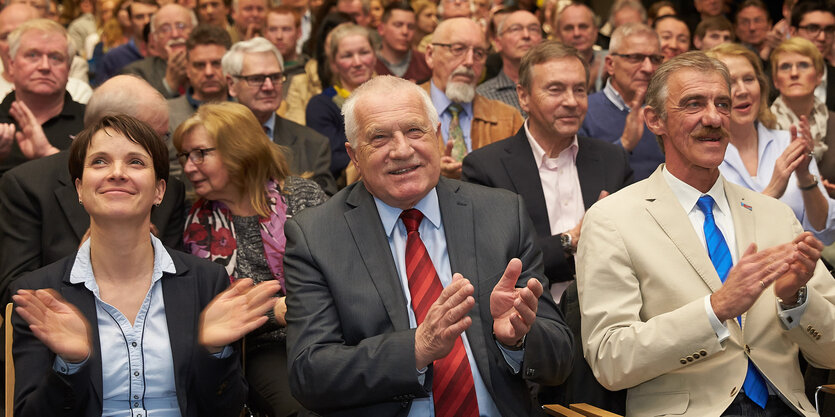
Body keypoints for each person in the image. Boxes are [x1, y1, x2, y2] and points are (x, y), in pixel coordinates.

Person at [284, 74, 573, 416]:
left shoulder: (501, 213)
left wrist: (518, 340)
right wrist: (416, 349)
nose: (402, 150)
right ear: (354, 156)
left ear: (437, 136)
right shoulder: (316, 235)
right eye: (379, 138)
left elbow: (560, 358)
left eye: (414, 131)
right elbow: (309, 373)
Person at [577, 51, 835, 416]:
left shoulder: (774, 215)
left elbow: (831, 352)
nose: (713, 118)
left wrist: (796, 300)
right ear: (655, 120)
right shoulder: (613, 219)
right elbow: (609, 360)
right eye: (693, 104)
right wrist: (714, 311)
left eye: (723, 104)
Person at [10, 113, 279, 417]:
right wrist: (69, 365)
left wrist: (213, 353)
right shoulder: (40, 293)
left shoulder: (206, 281)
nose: (117, 173)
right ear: (80, 190)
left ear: (159, 191)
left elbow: (225, 409)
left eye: (135, 162)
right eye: (100, 162)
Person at [462, 41, 633, 413]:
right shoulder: (486, 167)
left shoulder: (612, 159)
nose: (572, 101)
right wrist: (574, 240)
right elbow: (501, 265)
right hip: (529, 336)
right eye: (555, 89)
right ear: (523, 96)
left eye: (579, 89)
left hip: (607, 333)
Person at [174, 101, 325, 417]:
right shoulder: (191, 223)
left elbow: (339, 269)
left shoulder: (302, 196)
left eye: (201, 153)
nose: (188, 166)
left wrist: (302, 307)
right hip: (258, 347)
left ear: (239, 150)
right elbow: (205, 309)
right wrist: (277, 311)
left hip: (327, 331)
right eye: (185, 156)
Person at [0, 74, 186, 307]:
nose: (162, 148)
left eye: (164, 137)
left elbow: (180, 285)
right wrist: (82, 265)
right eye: (154, 136)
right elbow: (14, 293)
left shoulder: (168, 188)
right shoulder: (28, 185)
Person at [706, 43, 835, 246]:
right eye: (730, 82)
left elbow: (824, 231)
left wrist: (805, 179)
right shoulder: (703, 156)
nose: (742, 90)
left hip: (801, 272)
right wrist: (773, 190)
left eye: (749, 79)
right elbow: (714, 241)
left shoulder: (789, 142)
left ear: (761, 86)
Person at [225, 37, 337, 195]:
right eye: (257, 79)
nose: (269, 87)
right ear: (232, 85)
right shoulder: (213, 139)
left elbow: (326, 210)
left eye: (276, 77)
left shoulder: (313, 144)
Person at [424, 17, 523, 179]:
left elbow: (523, 177)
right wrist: (432, 174)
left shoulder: (508, 118)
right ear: (430, 55)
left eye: (478, 53)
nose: (469, 61)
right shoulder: (401, 109)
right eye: (458, 49)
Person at [0, 19, 86, 177]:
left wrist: (48, 153)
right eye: (33, 55)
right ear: (11, 65)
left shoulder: (91, 123)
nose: (45, 66)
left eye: (56, 58)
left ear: (68, 69)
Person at [579, 22, 665, 181]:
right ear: (611, 64)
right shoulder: (583, 111)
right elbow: (581, 178)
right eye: (636, 58)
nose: (648, 68)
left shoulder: (668, 112)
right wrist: (624, 144)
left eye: (655, 59)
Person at [306, 22, 375, 182]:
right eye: (347, 56)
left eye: (364, 52)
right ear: (333, 64)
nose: (357, 62)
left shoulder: (393, 96)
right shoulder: (321, 105)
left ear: (375, 56)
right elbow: (334, 160)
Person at [770, 37, 834, 168]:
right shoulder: (761, 124)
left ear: (819, 76)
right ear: (776, 80)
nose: (794, 73)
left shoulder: (833, 122)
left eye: (803, 65)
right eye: (785, 67)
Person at [476, 9, 542, 117]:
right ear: (498, 43)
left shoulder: (558, 88)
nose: (526, 35)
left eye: (533, 29)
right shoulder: (483, 96)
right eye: (515, 29)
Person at [122, 4, 197, 98]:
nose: (175, 34)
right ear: (154, 39)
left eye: (181, 26)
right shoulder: (137, 73)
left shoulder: (211, 65)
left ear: (195, 30)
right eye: (165, 29)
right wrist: (169, 85)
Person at [789, 0, 835, 112]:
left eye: (829, 30)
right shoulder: (771, 81)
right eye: (813, 29)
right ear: (793, 32)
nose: (822, 37)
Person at [554, 3, 607, 93]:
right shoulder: (549, 68)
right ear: (558, 34)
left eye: (583, 27)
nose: (577, 33)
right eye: (569, 28)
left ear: (595, 31)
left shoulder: (612, 61)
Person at [374, 3, 431, 84]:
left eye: (410, 27)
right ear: (381, 29)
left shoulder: (425, 63)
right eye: (398, 25)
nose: (405, 31)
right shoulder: (370, 65)